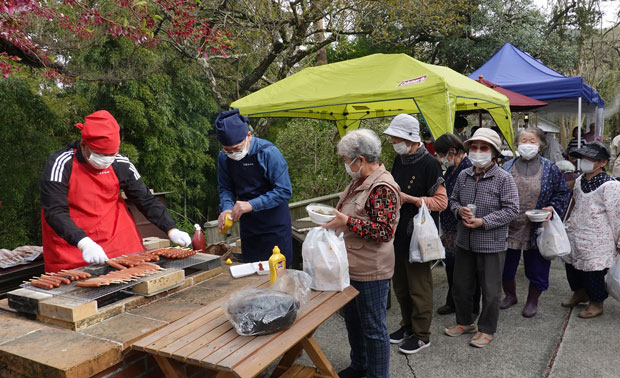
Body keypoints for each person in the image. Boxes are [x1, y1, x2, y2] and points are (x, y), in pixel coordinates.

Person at [40, 110, 191, 272]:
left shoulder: (120, 163)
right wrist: (84, 243)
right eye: (100, 155)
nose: (106, 160)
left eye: (111, 155)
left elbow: (145, 199)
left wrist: (171, 228)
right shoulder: (61, 164)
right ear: (84, 146)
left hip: (121, 244)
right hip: (74, 249)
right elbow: (55, 211)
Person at [322, 129, 401, 378]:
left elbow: (384, 231)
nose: (346, 165)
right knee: (354, 322)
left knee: (374, 328)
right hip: (352, 265)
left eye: (347, 160)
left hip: (372, 270)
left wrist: (346, 221)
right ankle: (359, 366)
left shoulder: (383, 187)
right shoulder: (359, 182)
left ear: (361, 160)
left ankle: (378, 375)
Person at [444, 128, 519, 348]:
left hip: (491, 243)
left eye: (483, 148)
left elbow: (512, 209)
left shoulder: (503, 178)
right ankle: (465, 322)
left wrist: (483, 221)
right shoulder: (464, 175)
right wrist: (459, 211)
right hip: (464, 240)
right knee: (461, 285)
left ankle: (487, 329)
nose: (478, 152)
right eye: (474, 147)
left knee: (490, 289)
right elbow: (453, 200)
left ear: (494, 153)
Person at [383, 114, 448, 354]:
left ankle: (422, 334)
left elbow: (441, 203)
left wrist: (409, 199)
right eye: (392, 139)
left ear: (411, 138)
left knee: (419, 286)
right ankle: (407, 326)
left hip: (419, 236)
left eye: (396, 138)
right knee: (400, 285)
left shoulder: (430, 164)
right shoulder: (400, 160)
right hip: (398, 232)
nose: (393, 142)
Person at [499, 128, 570, 317]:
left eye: (532, 141)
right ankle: (510, 295)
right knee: (506, 265)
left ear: (540, 146)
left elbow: (563, 192)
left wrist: (552, 208)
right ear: (516, 144)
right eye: (523, 140)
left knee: (537, 266)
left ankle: (532, 301)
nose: (527, 145)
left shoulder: (550, 168)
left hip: (537, 225)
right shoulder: (505, 167)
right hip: (509, 225)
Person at [215, 109, 293, 265]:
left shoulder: (268, 152)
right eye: (227, 150)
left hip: (275, 224)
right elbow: (226, 188)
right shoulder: (223, 158)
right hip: (249, 227)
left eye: (236, 148)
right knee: (252, 275)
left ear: (248, 136)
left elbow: (284, 190)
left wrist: (251, 204)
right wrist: (227, 208)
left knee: (279, 275)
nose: (232, 153)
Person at [561, 142, 620, 318]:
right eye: (583, 158)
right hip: (577, 233)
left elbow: (617, 215)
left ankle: (596, 302)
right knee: (572, 266)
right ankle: (580, 293)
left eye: (590, 159)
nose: (585, 161)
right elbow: (575, 203)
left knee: (593, 272)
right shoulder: (580, 180)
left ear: (602, 163)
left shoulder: (611, 186)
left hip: (597, 237)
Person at [434, 133, 480, 316]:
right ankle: (452, 301)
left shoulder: (468, 169)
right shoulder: (454, 168)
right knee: (452, 268)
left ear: (452, 151)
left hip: (462, 227)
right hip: (450, 228)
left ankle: (470, 307)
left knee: (467, 271)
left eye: (440, 154)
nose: (440, 158)